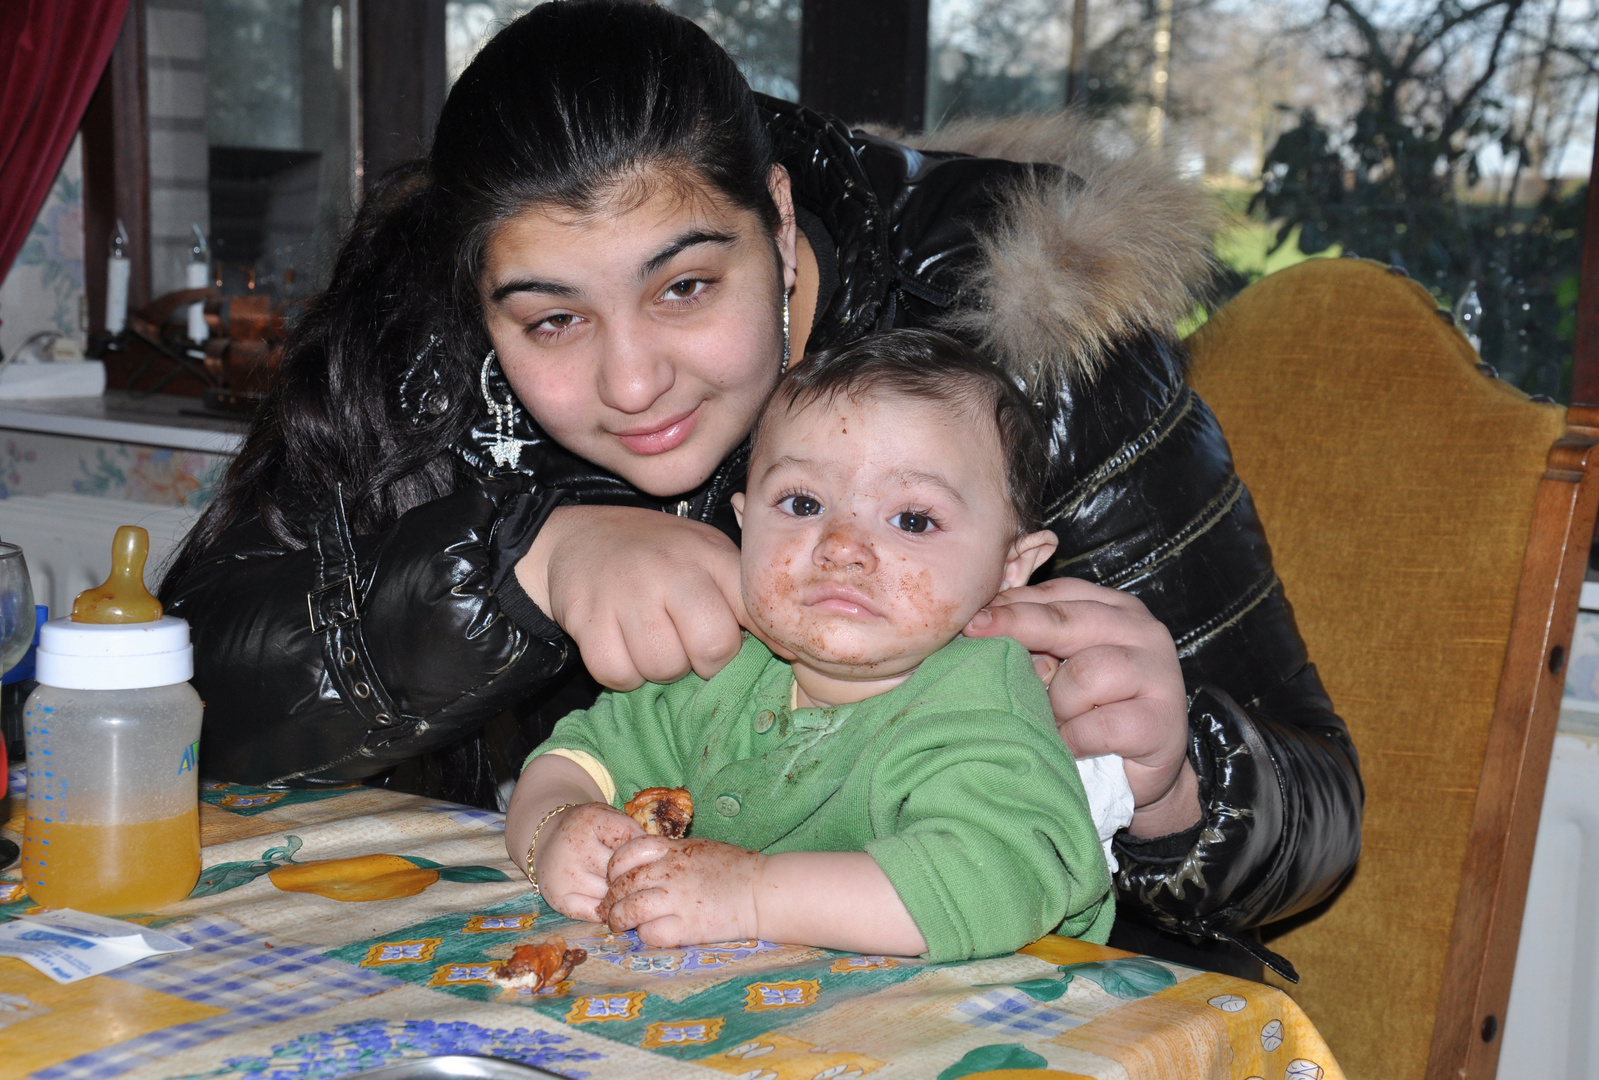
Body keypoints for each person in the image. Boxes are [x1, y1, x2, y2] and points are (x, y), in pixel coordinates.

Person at [160, 0, 1362, 979]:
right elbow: (180, 687)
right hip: (596, 979)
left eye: (685, 287)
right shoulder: (429, 328)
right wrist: (524, 565)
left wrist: (1174, 783)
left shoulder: (1033, 340)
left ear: (779, 220)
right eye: (553, 320)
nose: (631, 381)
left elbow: (1320, 818)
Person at [509, 330, 1122, 961]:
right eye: (802, 503)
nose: (841, 545)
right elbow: (575, 760)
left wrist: (749, 896)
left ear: (1010, 567)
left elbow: (990, 878)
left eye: (912, 519)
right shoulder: (721, 666)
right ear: (744, 526)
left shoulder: (981, 705)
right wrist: (556, 828)